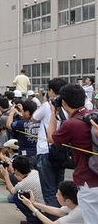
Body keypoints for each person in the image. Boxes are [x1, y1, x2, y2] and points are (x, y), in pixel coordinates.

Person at [47, 83, 98, 223]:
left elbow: (51, 138)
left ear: (63, 102)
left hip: (88, 180)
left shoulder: (72, 124)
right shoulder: (93, 115)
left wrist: (53, 114)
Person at [31, 78, 68, 209]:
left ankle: (53, 219)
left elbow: (33, 117)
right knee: (60, 191)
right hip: (61, 152)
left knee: (49, 192)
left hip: (45, 151)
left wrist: (45, 101)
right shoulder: (67, 105)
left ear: (51, 91)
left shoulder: (48, 105)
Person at [0, 155, 45, 223]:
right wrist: (13, 171)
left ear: (16, 169)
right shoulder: (35, 172)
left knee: (16, 197)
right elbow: (23, 178)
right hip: (47, 205)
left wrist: (5, 175)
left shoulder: (22, 184)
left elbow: (12, 191)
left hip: (41, 209)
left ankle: (34, 220)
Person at [18, 180, 83, 224]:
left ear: (68, 201)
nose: (56, 196)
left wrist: (31, 207)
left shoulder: (77, 213)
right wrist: (34, 203)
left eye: (58, 194)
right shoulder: (75, 203)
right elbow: (59, 211)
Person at [6, 100, 39, 168]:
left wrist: (12, 112)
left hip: (26, 155)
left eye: (24, 110)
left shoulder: (21, 123)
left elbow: (9, 125)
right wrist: (21, 112)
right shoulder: (41, 121)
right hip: (39, 154)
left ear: (27, 112)